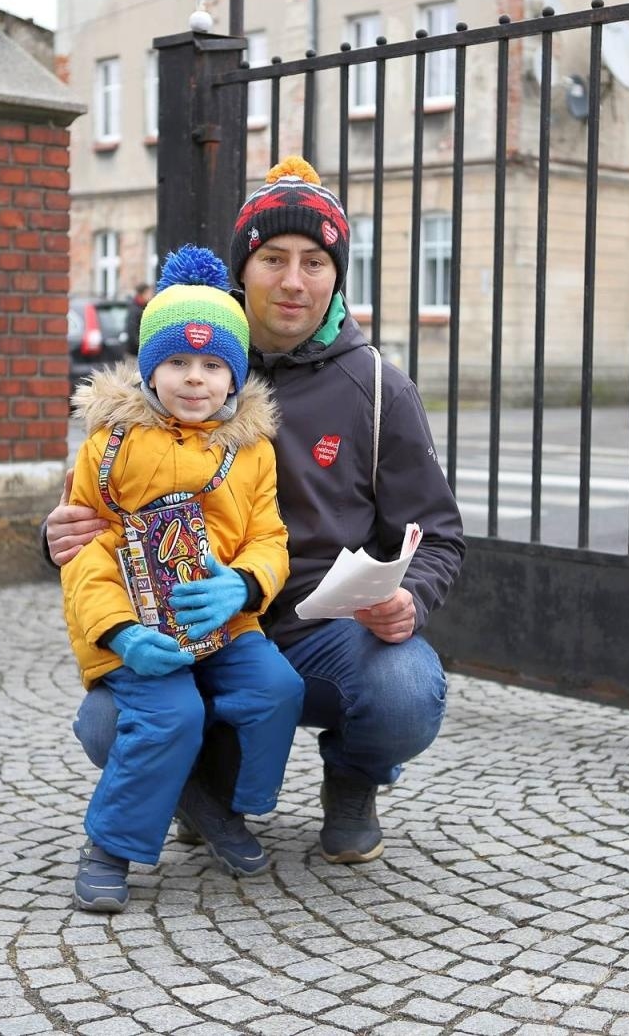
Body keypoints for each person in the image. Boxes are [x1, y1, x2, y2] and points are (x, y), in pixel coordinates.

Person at [49, 156, 465, 875]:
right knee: (108, 723)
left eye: (314, 261)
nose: (294, 280)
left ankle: (353, 783)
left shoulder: (376, 389)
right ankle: (200, 789)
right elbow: (98, 509)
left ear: (338, 274)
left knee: (403, 690)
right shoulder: (182, 361)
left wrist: (410, 596)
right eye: (274, 258)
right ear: (245, 268)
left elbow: (440, 535)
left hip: (316, 632)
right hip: (183, 618)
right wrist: (50, 536)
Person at [61, 245, 305, 912]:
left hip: (224, 620)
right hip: (139, 627)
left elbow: (269, 537)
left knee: (276, 688)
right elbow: (86, 552)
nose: (194, 379)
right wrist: (117, 633)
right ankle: (110, 845)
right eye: (175, 362)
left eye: (211, 365)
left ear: (233, 377)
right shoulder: (109, 447)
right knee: (169, 711)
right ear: (148, 369)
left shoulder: (252, 452)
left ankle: (220, 807)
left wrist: (246, 585)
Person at [123, 282, 152, 358]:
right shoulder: (135, 309)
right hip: (134, 354)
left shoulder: (144, 307)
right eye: (149, 293)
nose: (151, 295)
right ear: (143, 294)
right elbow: (132, 332)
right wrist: (142, 347)